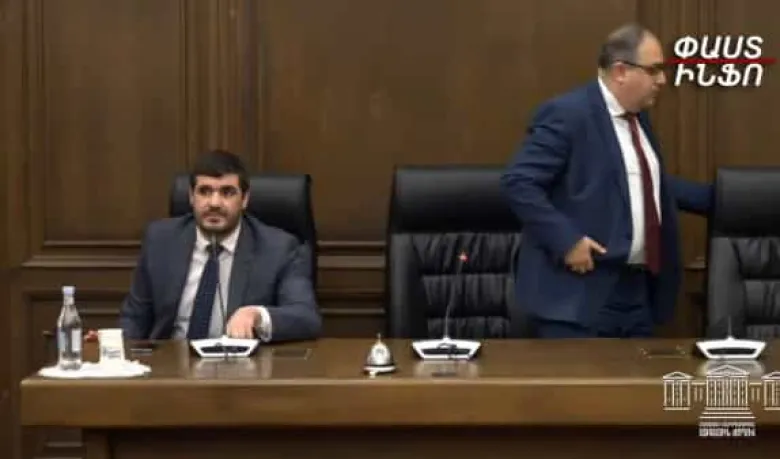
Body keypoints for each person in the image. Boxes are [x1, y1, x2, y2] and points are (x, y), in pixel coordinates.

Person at [500, 24, 713, 338]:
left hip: (637, 293)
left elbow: (645, 183)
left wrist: (726, 199)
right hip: (579, 296)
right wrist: (566, 240)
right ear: (621, 71)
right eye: (654, 70)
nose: (662, 80)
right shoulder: (568, 114)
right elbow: (519, 182)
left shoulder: (637, 118)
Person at [119, 149, 321, 342]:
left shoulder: (279, 249)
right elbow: (135, 317)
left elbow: (306, 317)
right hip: (170, 359)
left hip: (238, 362)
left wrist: (257, 315)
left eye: (227, 192)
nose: (214, 203)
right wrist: (118, 351)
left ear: (244, 199)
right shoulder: (161, 240)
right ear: (191, 197)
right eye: (204, 191)